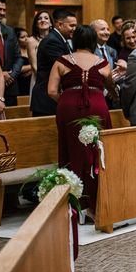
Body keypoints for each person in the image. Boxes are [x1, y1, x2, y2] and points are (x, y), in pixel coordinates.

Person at [48, 25, 113, 216]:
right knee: (97, 151)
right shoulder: (102, 62)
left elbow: (51, 91)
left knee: (70, 150)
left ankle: (75, 205)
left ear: (74, 40)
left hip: (68, 108)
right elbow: (110, 85)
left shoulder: (62, 61)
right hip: (97, 106)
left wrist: (67, 102)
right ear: (93, 41)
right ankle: (97, 202)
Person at [31, 9, 77, 116]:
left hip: (51, 98)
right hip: (46, 100)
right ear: (60, 25)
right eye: (72, 26)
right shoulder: (52, 41)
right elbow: (65, 66)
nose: (74, 29)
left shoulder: (60, 39)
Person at [27, 11, 53, 95]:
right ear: (36, 24)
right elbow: (34, 67)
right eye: (39, 18)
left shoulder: (55, 40)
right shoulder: (31, 41)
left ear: (51, 23)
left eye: (46, 18)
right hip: (39, 79)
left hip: (55, 79)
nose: (43, 20)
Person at [15, 28, 32, 96]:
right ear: (17, 39)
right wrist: (32, 66)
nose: (26, 39)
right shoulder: (16, 52)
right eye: (23, 37)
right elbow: (18, 69)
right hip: (20, 82)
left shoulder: (32, 49)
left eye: (27, 36)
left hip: (31, 80)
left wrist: (31, 70)